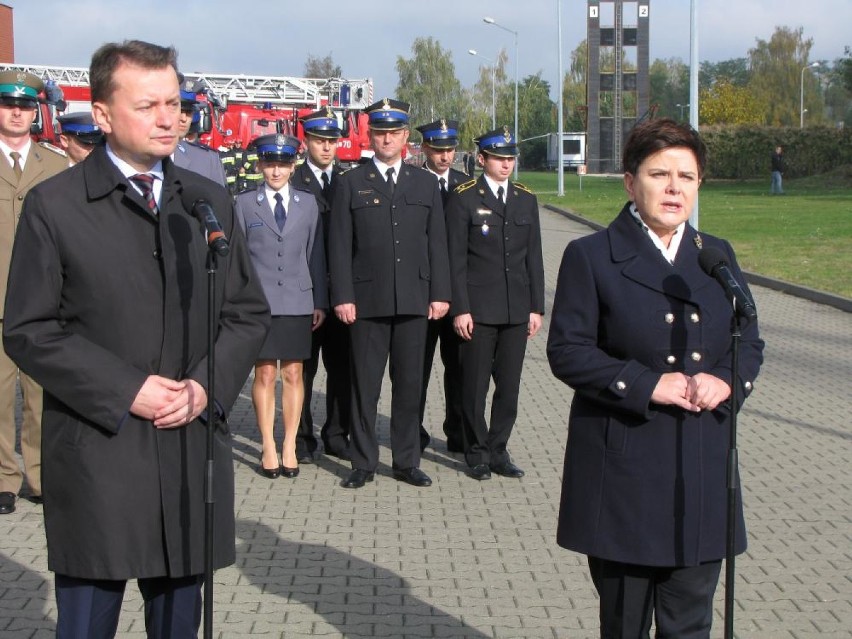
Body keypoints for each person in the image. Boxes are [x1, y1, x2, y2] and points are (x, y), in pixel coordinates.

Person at [2, 40, 270, 636]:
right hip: (101, 452)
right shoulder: (55, 206)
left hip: (187, 452)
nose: (169, 118)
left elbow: (247, 312)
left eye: (174, 103)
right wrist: (127, 389)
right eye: (148, 105)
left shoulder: (207, 202)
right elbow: (29, 329)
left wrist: (205, 387)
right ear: (101, 114)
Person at [546, 118, 764, 637]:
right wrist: (649, 385)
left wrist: (727, 382)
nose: (673, 188)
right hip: (625, 474)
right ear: (629, 182)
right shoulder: (591, 256)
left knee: (690, 625)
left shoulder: (717, 256)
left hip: (701, 470)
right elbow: (567, 351)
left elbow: (749, 339)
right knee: (624, 626)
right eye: (659, 173)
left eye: (686, 177)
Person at [328, 97, 451, 489]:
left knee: (410, 385)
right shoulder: (350, 183)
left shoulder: (426, 183)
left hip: (415, 300)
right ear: (370, 135)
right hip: (365, 303)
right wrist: (342, 295)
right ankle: (363, 461)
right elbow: (339, 246)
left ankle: (406, 460)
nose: (386, 138)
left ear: (404, 137)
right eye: (379, 132)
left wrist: (440, 294)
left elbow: (437, 244)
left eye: (393, 132)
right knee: (365, 385)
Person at [446, 126, 544, 481]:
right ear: (483, 159)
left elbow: (534, 257)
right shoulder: (464, 197)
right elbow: (455, 259)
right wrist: (460, 308)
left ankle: (498, 449)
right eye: (499, 158)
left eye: (510, 158)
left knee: (509, 386)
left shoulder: (524, 198)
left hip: (515, 308)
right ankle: (476, 451)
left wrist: (536, 307)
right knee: (473, 386)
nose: (506, 165)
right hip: (478, 309)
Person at [235, 133, 327, 479]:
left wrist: (319, 301)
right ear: (260, 165)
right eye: (270, 164)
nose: (276, 171)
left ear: (293, 166)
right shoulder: (244, 204)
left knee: (293, 372)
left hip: (297, 300)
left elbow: (314, 254)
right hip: (260, 302)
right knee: (265, 373)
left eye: (283, 164)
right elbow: (240, 259)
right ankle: (268, 445)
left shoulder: (308, 204)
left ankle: (289, 443)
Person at [0, 70, 68, 515]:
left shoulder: (56, 165)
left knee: (43, 394)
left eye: (26, 107)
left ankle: (40, 475)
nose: (18, 112)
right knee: (0, 397)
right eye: (9, 105)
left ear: (36, 111)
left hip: (43, 300)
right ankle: (4, 477)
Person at [292, 107, 351, 462]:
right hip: (305, 293)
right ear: (307, 141)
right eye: (319, 140)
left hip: (341, 292)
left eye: (332, 141)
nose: (327, 148)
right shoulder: (294, 181)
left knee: (342, 369)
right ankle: (301, 436)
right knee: (303, 369)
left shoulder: (348, 182)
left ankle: (336, 433)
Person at [414, 119, 468, 454]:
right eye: (438, 150)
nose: (445, 156)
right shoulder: (414, 183)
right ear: (425, 149)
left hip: (458, 293)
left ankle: (457, 431)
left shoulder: (465, 186)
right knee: (415, 368)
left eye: (449, 150)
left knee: (459, 367)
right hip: (421, 291)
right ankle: (412, 430)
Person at [172, 74, 227, 187]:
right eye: (178, 110)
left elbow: (220, 202)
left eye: (188, 112)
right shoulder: (141, 155)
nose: (183, 119)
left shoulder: (208, 160)